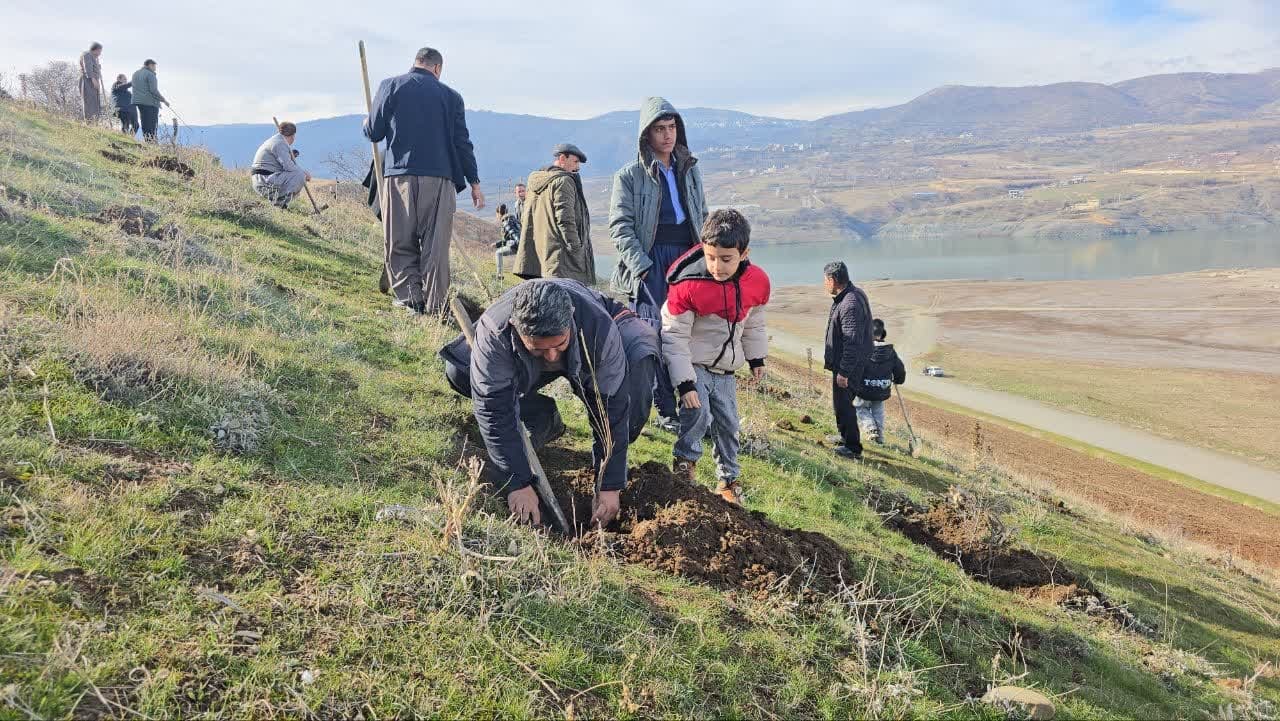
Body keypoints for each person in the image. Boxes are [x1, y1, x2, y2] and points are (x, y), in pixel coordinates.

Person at [439, 279, 659, 527]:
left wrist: (610, 484)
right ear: (516, 328)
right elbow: (493, 409)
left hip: (592, 336)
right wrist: (517, 481)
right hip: (518, 354)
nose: (553, 356)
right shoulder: (495, 332)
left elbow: (612, 410)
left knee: (632, 396)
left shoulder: (600, 331)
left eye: (559, 345)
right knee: (461, 373)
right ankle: (541, 415)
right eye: (541, 349)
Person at [609, 97, 708, 433]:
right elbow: (619, 226)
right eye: (659, 129)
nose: (667, 135)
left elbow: (702, 216)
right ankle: (666, 410)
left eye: (671, 127)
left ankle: (693, 404)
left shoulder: (690, 169)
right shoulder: (629, 176)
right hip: (652, 264)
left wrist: (706, 257)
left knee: (688, 332)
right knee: (656, 335)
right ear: (646, 135)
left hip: (687, 260)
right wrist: (643, 266)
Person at [364, 46, 484, 315]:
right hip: (441, 179)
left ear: (415, 62)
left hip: (400, 176)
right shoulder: (452, 97)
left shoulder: (390, 86)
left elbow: (374, 132)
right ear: (438, 68)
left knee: (399, 239)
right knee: (436, 246)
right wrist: (474, 181)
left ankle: (410, 299)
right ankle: (436, 304)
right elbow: (462, 142)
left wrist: (366, 123)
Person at [662, 209, 769, 505]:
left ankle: (728, 480)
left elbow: (754, 323)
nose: (716, 266)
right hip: (694, 364)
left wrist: (756, 358)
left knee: (729, 424)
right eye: (710, 257)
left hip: (726, 370)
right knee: (697, 413)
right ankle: (685, 465)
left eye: (725, 259)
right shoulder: (687, 285)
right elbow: (674, 336)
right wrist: (685, 383)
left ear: (744, 253)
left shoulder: (757, 283)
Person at [513, 144, 593, 284]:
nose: (578, 167)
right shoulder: (563, 181)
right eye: (575, 162)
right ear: (562, 158)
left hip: (541, 259)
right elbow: (565, 220)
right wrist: (577, 251)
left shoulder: (536, 182)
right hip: (562, 262)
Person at [823, 261, 874, 460]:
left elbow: (852, 341)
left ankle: (852, 448)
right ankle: (845, 437)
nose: (824, 284)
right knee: (841, 402)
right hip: (850, 362)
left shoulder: (849, 303)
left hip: (849, 364)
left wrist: (844, 371)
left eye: (825, 280)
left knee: (844, 404)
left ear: (832, 280)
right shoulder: (851, 295)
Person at [854, 319, 906, 444]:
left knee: (860, 407)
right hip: (882, 389)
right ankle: (880, 438)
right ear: (882, 335)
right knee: (878, 411)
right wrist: (899, 379)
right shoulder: (890, 352)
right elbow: (899, 369)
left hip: (863, 389)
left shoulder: (862, 350)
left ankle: (870, 429)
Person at [250, 122, 311, 209]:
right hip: (264, 181)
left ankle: (280, 203)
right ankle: (280, 203)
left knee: (298, 173)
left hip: (263, 179)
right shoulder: (280, 144)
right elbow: (289, 167)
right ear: (293, 135)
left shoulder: (276, 140)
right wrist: (305, 174)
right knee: (299, 175)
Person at [130, 60, 168, 142]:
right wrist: (163, 100)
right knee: (152, 123)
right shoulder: (150, 74)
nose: (155, 68)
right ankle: (152, 141)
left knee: (144, 122)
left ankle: (147, 140)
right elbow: (153, 90)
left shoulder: (135, 73)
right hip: (150, 102)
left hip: (139, 102)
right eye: (154, 66)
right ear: (150, 65)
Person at [79, 43, 104, 122]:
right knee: (89, 102)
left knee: (95, 103)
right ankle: (88, 121)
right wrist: (93, 80)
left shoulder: (94, 58)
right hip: (88, 81)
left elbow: (93, 68)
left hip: (94, 81)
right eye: (99, 51)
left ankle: (94, 121)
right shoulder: (87, 55)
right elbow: (88, 68)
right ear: (95, 49)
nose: (100, 54)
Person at [493, 202, 519, 277]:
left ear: (498, 213)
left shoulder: (506, 222)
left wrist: (520, 246)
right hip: (518, 244)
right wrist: (497, 244)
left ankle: (499, 275)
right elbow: (508, 237)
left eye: (496, 214)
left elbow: (514, 234)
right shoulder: (513, 219)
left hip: (515, 245)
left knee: (498, 253)